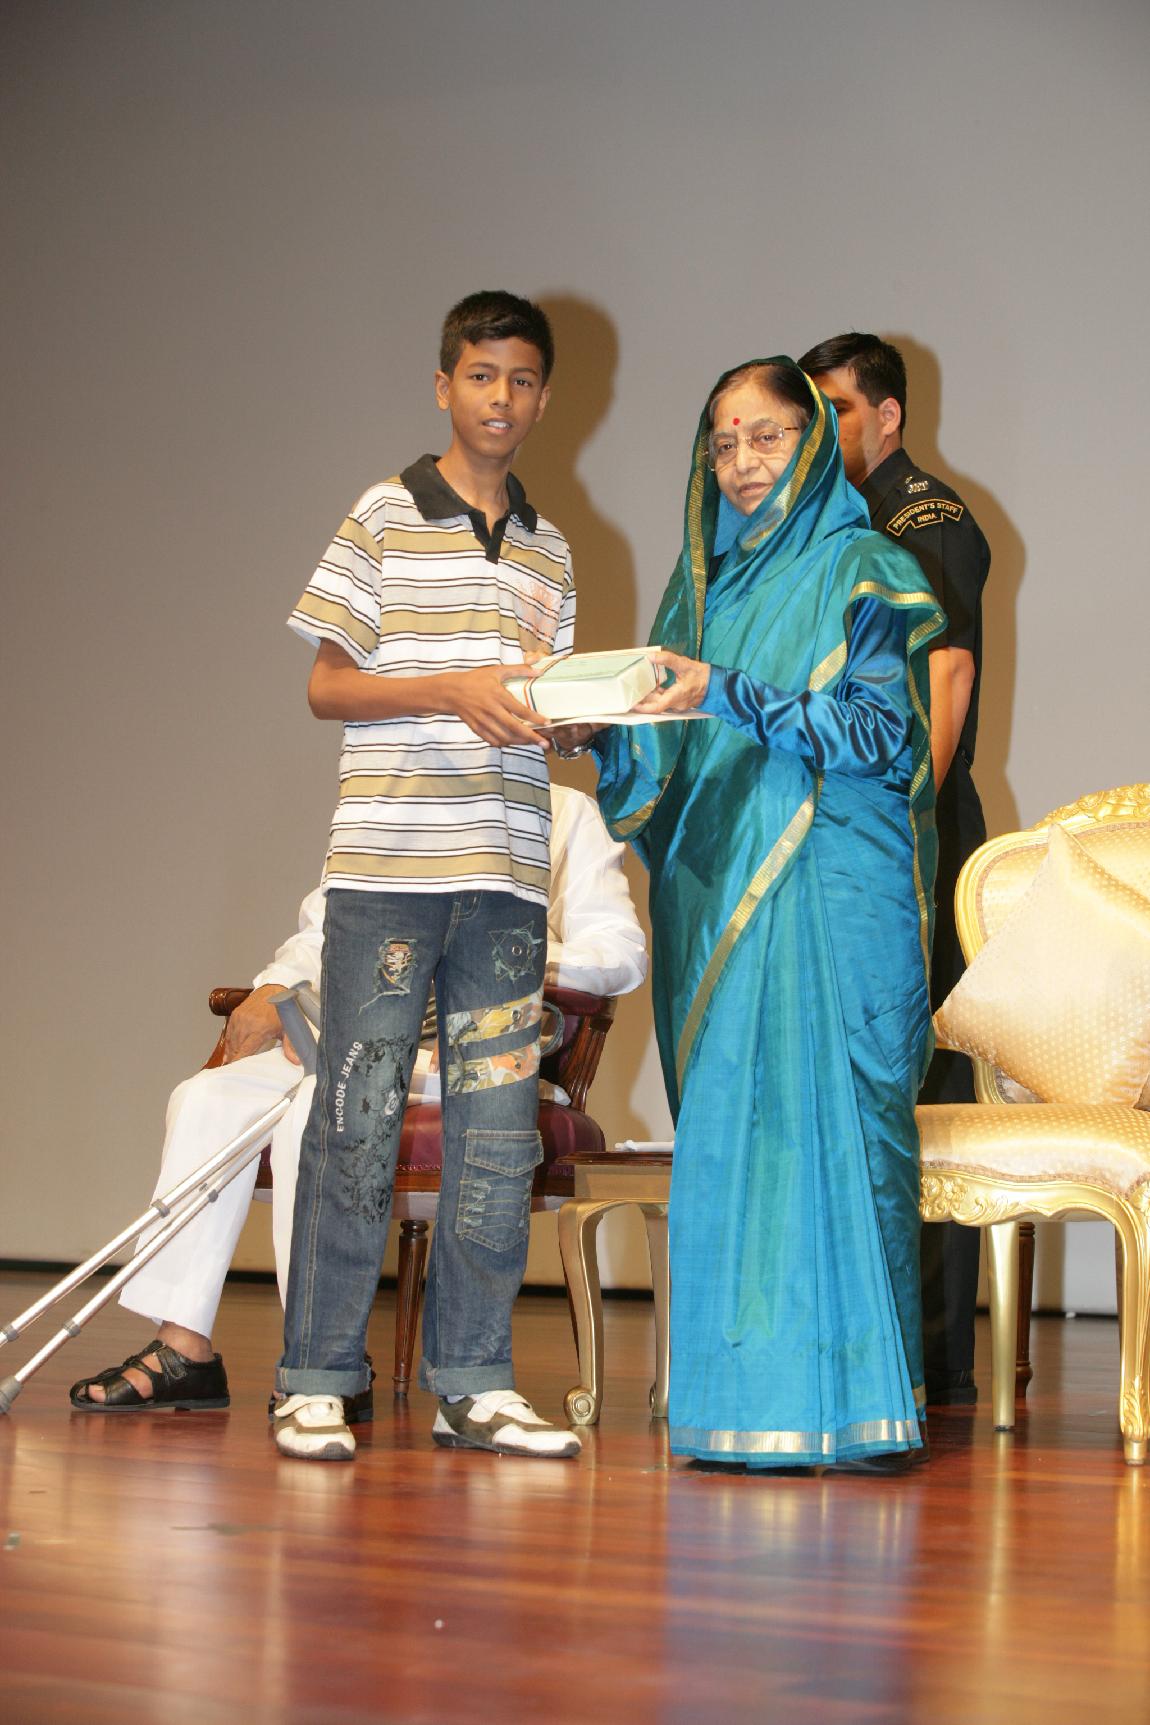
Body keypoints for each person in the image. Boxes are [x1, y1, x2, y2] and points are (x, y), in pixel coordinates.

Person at [567, 357, 944, 1471]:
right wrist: (601, 732)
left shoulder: (865, 568)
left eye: (766, 437)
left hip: (834, 888)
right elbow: (666, 766)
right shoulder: (702, 595)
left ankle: (867, 1410)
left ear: (814, 443)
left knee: (843, 1127)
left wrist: (725, 691)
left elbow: (882, 739)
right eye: (722, 443)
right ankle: (746, 1405)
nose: (740, 463)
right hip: (718, 893)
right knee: (744, 1135)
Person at [68, 786, 646, 1415]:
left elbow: (620, 952)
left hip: (477, 1057)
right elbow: (323, 932)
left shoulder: (559, 812)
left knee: (317, 1110)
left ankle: (325, 1360)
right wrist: (273, 987)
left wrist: (479, 965)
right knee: (206, 1097)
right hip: (358, 1039)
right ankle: (184, 1347)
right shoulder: (389, 799)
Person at [274, 290, 583, 1463]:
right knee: (354, 1122)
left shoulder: (552, 549)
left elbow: (547, 708)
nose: (501, 398)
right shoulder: (383, 514)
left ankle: (475, 1380)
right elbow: (327, 686)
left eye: (521, 379)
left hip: (507, 879)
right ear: (444, 385)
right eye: (480, 375)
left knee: (497, 1137)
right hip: (390, 871)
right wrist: (449, 690)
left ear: (544, 398)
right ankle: (317, 1376)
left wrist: (578, 721)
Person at [798, 333, 991, 1406]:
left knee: (922, 1085)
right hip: (855, 840)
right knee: (862, 1077)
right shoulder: (836, 528)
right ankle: (865, 1335)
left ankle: (930, 1357)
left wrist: (901, 826)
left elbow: (945, 677)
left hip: (916, 838)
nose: (820, 428)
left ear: (887, 417)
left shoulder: (925, 521)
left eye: (836, 408)